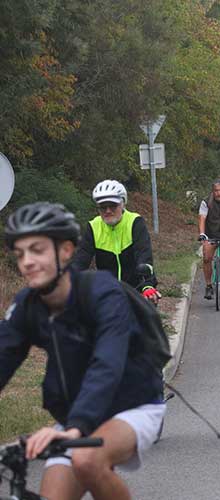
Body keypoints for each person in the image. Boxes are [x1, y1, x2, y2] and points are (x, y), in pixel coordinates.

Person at [1, 202, 165, 500]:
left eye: (36, 250)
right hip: (76, 414)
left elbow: (107, 363)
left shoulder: (102, 293)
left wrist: (76, 428)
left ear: (65, 251)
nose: (26, 262)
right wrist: (74, 423)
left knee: (87, 460)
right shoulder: (28, 305)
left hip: (131, 404)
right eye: (20, 253)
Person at [74, 180, 160, 305]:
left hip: (137, 289)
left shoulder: (134, 222)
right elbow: (81, 259)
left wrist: (147, 285)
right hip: (107, 292)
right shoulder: (93, 226)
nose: (108, 211)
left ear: (123, 204)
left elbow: (144, 255)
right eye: (103, 207)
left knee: (147, 320)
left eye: (113, 206)